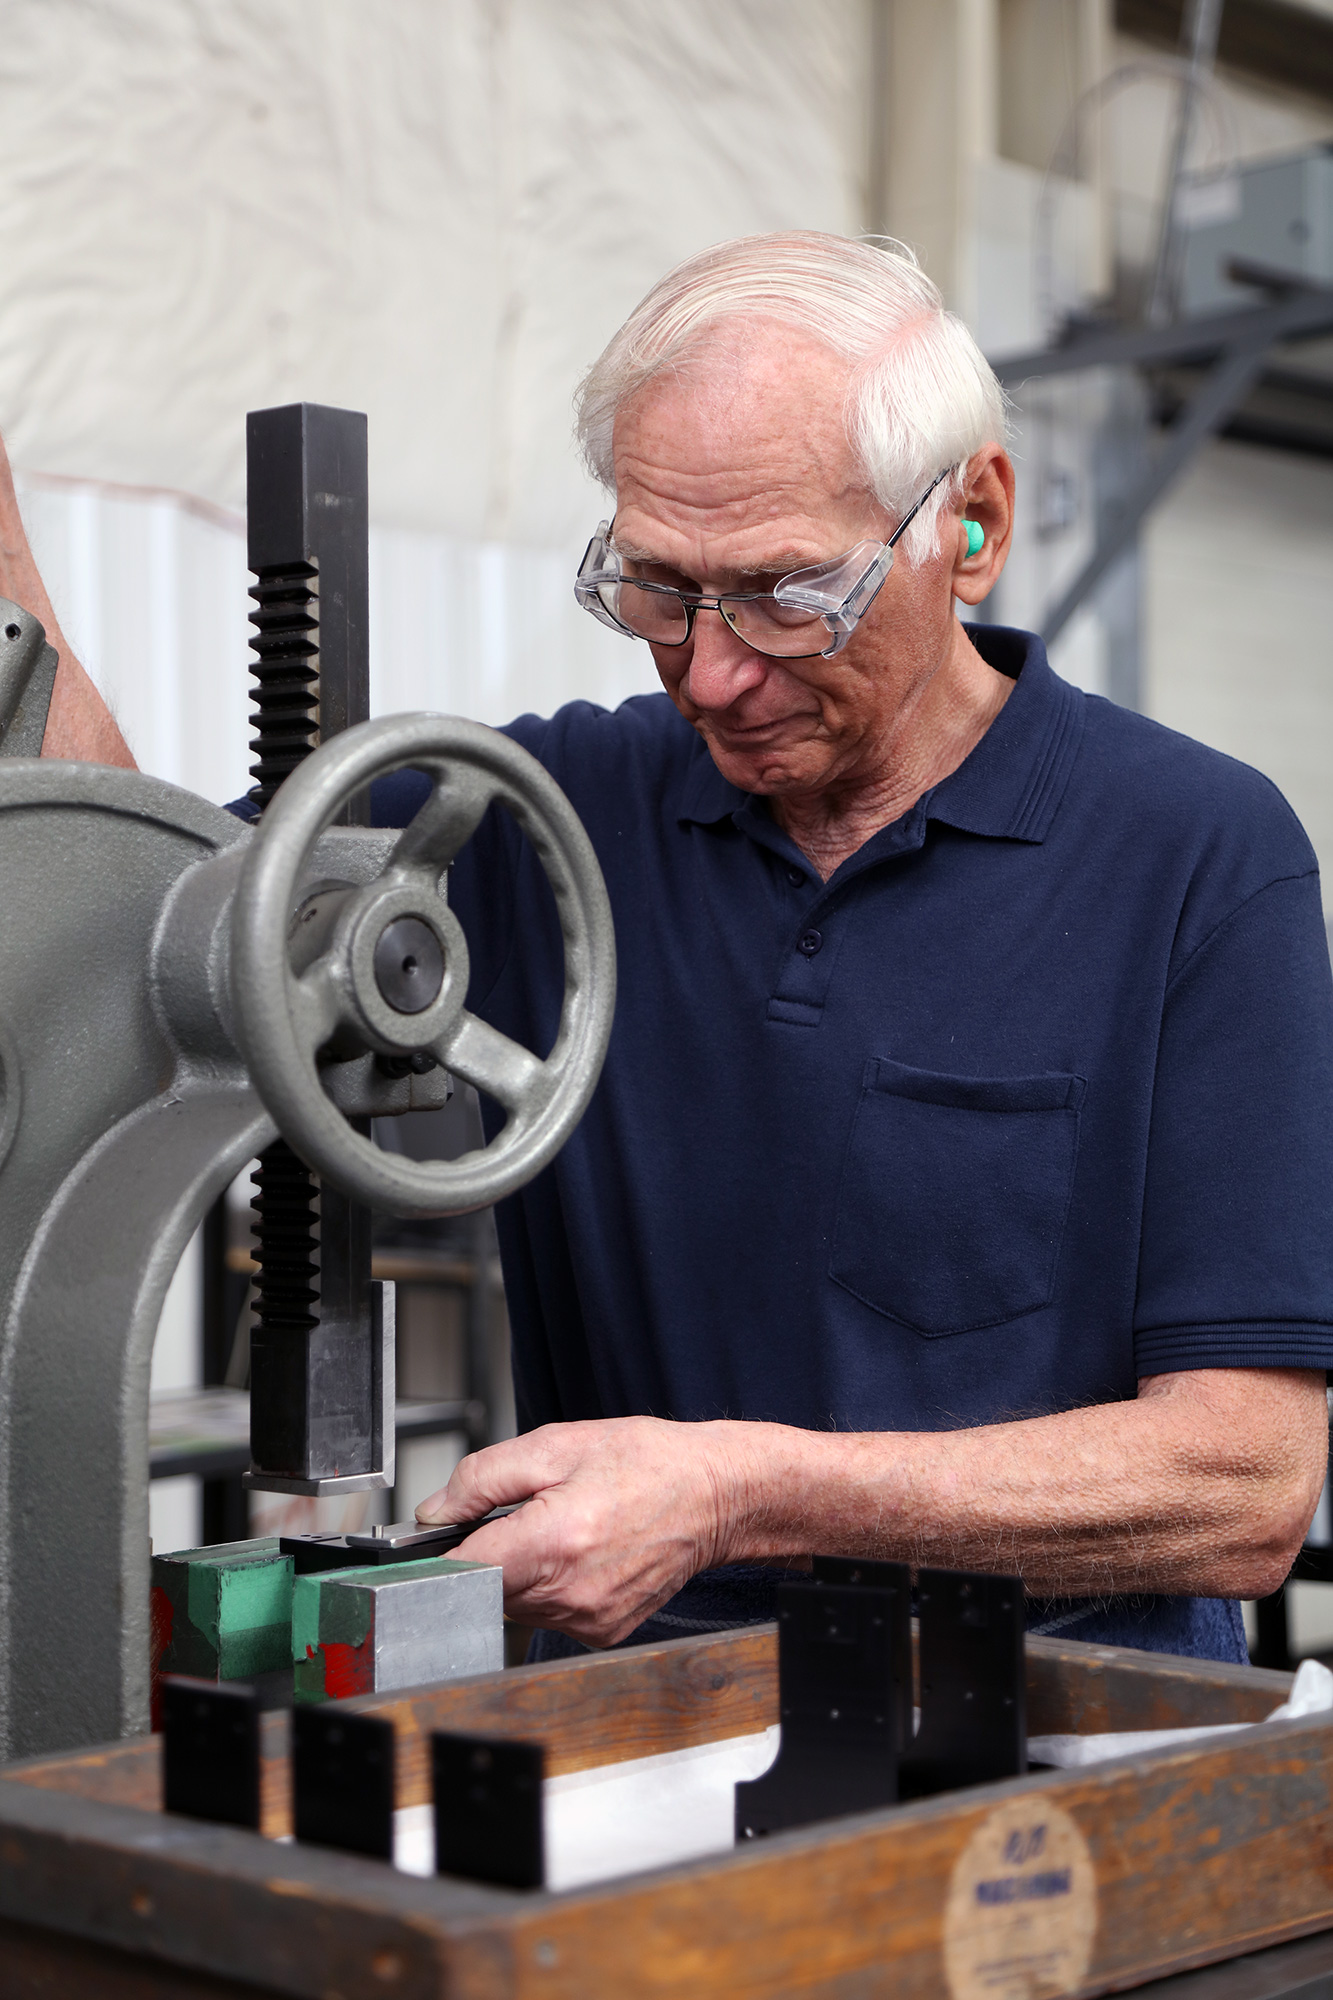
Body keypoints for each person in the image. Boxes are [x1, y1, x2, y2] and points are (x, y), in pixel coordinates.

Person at [17, 232, 1333, 1664]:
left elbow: (1244, 1484)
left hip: (1066, 1745)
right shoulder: (547, 821)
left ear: (971, 524)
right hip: (627, 1725)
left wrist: (736, 1496)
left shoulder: (1197, 853)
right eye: (656, 588)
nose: (710, 670)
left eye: (784, 592)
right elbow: (127, 911)